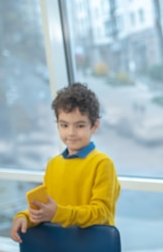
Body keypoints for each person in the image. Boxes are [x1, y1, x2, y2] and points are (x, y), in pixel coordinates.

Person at [10, 82, 120, 243]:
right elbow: (46, 210)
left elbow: (101, 213)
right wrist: (25, 217)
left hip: (93, 248)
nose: (71, 133)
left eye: (80, 125)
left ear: (94, 125)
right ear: (57, 125)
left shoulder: (102, 163)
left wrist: (58, 213)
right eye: (64, 125)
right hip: (60, 246)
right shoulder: (53, 164)